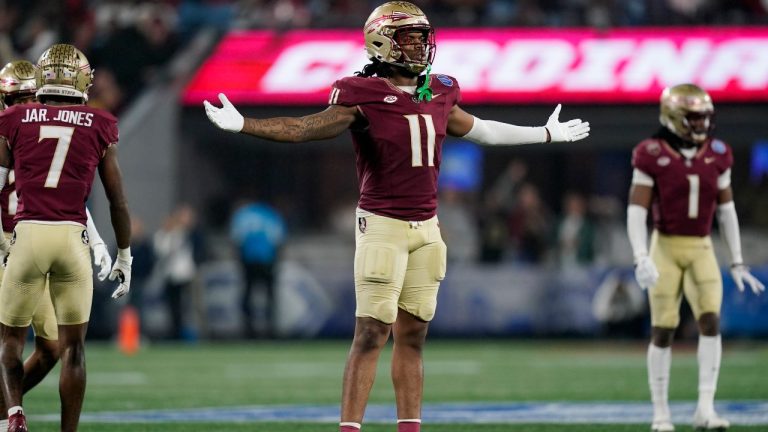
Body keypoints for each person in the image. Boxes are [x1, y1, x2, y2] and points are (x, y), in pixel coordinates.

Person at [204, 2, 589, 431]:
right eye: (411, 37)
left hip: (428, 229)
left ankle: (410, 427)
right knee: (371, 333)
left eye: (424, 36)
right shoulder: (360, 92)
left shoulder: (440, 89)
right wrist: (245, 125)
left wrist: (545, 133)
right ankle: (350, 428)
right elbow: (306, 127)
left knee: (414, 335)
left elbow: (479, 128)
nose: (423, 46)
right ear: (381, 41)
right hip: (382, 226)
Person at [0, 44, 133, 432]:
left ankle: (13, 416)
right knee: (72, 348)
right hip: (71, 240)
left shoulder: (15, 121)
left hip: (24, 239)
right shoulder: (99, 122)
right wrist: (122, 252)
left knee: (16, 344)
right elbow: (117, 200)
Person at [626, 83, 764, 432]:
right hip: (666, 246)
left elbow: (727, 210)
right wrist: (641, 255)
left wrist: (737, 260)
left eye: (705, 116)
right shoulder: (650, 152)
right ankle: (661, 413)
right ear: (673, 117)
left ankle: (705, 408)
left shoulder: (718, 153)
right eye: (694, 116)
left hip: (701, 246)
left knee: (711, 322)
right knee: (663, 330)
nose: (702, 123)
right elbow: (635, 210)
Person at [230, 198, 286, 338]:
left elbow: (236, 239)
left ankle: (248, 330)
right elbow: (279, 239)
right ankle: (270, 330)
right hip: (267, 260)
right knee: (269, 296)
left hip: (249, 260)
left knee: (248, 295)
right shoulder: (271, 214)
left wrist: (239, 260)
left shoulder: (242, 215)